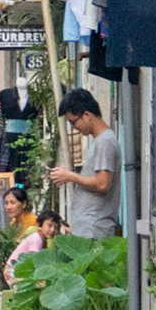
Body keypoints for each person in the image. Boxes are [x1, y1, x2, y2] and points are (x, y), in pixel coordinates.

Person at [48, 88, 120, 239]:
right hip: (88, 227)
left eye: (73, 122)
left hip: (94, 226)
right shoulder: (98, 141)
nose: (73, 128)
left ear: (87, 115)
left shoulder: (104, 142)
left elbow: (102, 184)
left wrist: (71, 176)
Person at [7, 209, 61, 280]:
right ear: (39, 225)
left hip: (18, 268)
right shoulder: (36, 239)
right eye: (49, 226)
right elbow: (34, 259)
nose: (53, 230)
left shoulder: (43, 240)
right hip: (13, 269)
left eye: (56, 227)